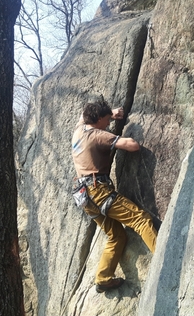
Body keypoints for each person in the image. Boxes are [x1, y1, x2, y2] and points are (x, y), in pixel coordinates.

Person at [71, 99, 158, 293]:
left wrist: (111, 111)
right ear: (99, 119)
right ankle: (164, 261)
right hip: (99, 191)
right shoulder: (97, 135)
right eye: (107, 120)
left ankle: (103, 278)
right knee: (141, 219)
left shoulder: (79, 130)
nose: (109, 123)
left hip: (85, 197)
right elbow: (132, 145)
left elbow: (82, 116)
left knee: (116, 235)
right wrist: (122, 136)